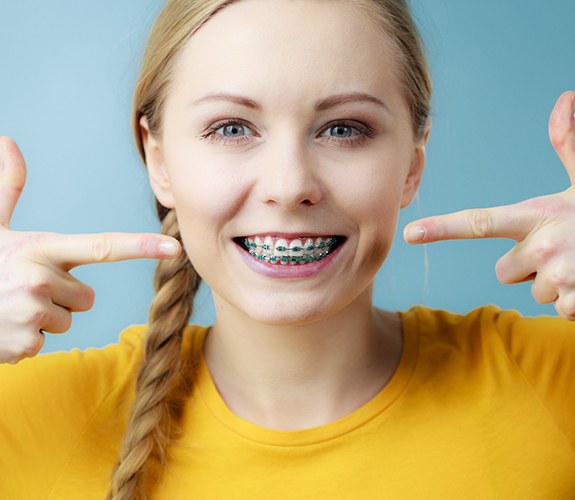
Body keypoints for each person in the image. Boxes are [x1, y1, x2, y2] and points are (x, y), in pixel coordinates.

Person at [0, 0, 574, 498]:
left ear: (412, 164)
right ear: (159, 160)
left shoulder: (556, 383)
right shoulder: (25, 418)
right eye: (231, 128)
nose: (289, 185)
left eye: (345, 128)